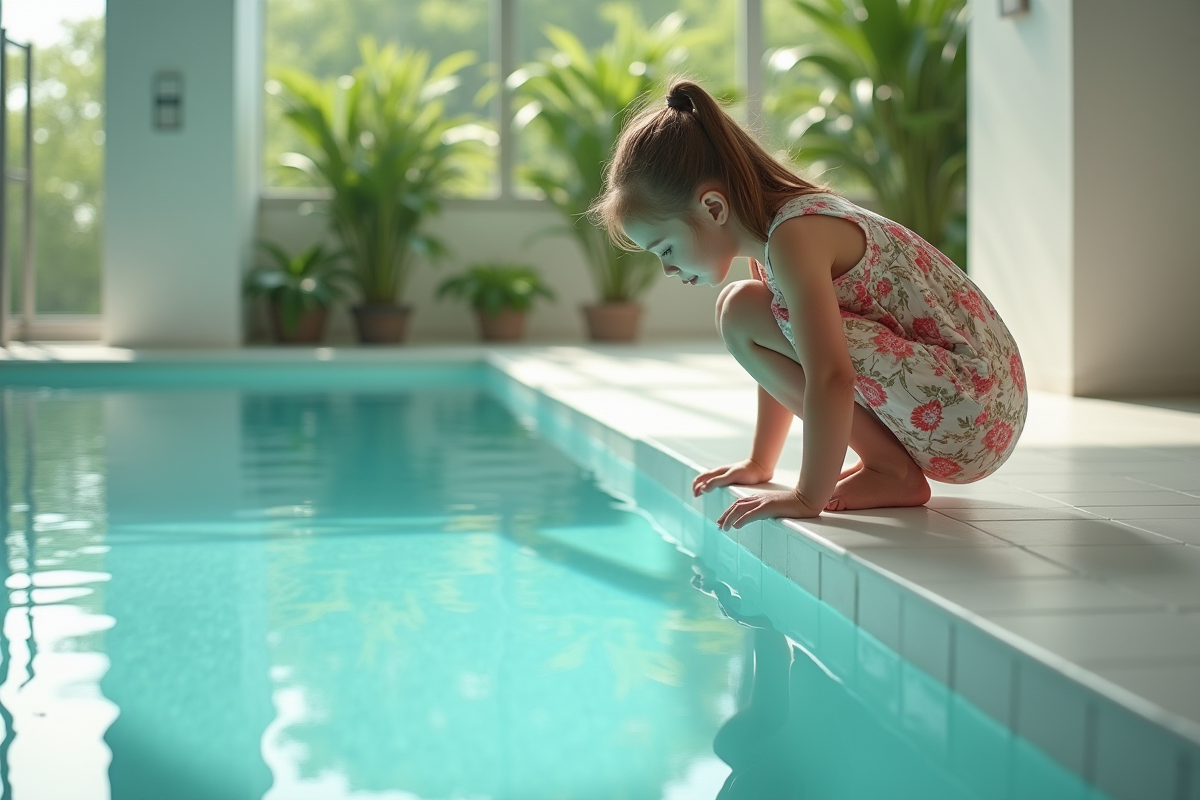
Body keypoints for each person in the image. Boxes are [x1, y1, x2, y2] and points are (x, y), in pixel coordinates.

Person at [589, 79, 1028, 528]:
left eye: (665, 249)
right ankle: (885, 464)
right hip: (972, 405)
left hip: (972, 409)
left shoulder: (794, 236)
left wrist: (807, 496)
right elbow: (786, 350)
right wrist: (761, 463)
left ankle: (890, 469)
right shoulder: (778, 233)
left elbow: (831, 376)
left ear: (714, 209)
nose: (667, 269)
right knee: (744, 310)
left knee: (743, 310)